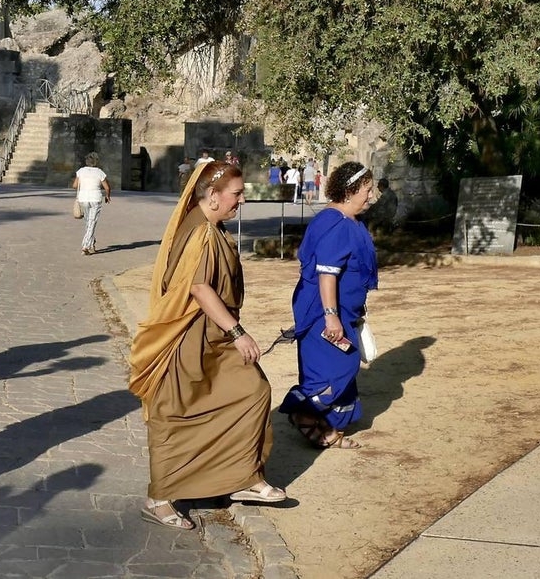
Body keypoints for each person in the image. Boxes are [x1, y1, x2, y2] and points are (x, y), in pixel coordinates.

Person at [129, 160, 285, 531]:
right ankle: (159, 498)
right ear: (213, 195)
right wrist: (238, 332)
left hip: (214, 334)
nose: (242, 201)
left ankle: (241, 477)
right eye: (237, 194)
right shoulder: (201, 232)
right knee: (175, 412)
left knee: (252, 392)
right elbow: (199, 289)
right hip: (190, 335)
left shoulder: (211, 226)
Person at [278, 161, 377, 450]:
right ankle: (302, 413)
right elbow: (326, 274)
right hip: (323, 311)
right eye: (367, 190)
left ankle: (329, 430)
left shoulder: (349, 221)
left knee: (341, 367)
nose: (371, 196)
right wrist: (331, 316)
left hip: (341, 311)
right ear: (350, 190)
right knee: (336, 368)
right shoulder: (335, 224)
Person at [72, 152, 111, 256]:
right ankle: (85, 246)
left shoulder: (81, 171)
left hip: (83, 199)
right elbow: (107, 187)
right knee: (91, 222)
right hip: (95, 199)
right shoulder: (99, 172)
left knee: (88, 223)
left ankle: (92, 243)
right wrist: (107, 196)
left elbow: (75, 185)